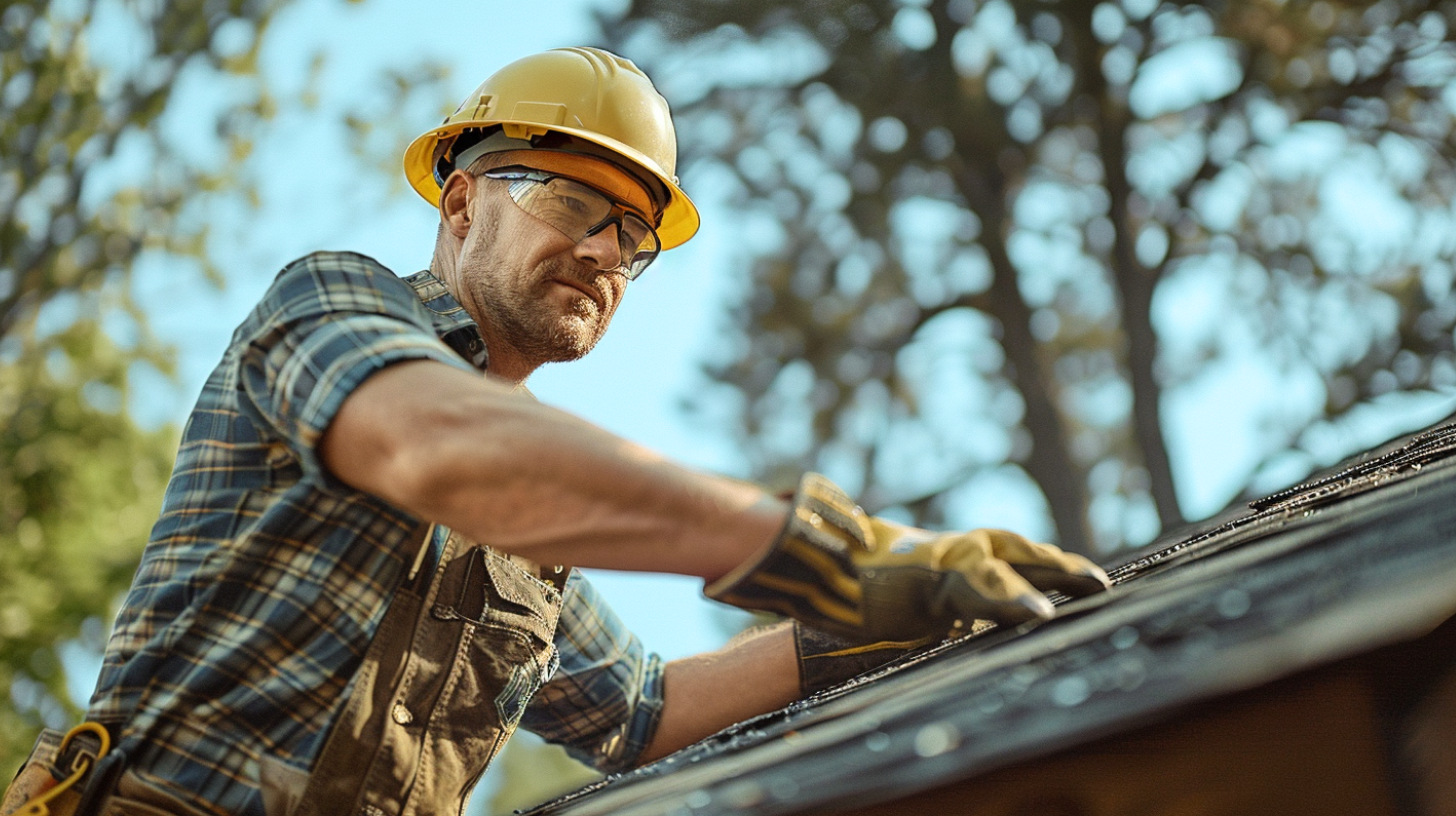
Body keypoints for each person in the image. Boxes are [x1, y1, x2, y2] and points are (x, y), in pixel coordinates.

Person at [1, 47, 1110, 816]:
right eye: (570, 201)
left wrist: (868, 623)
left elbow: (643, 711)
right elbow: (445, 453)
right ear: (460, 204)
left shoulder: (537, 520)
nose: (602, 253)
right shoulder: (331, 307)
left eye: (632, 235)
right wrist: (837, 558)